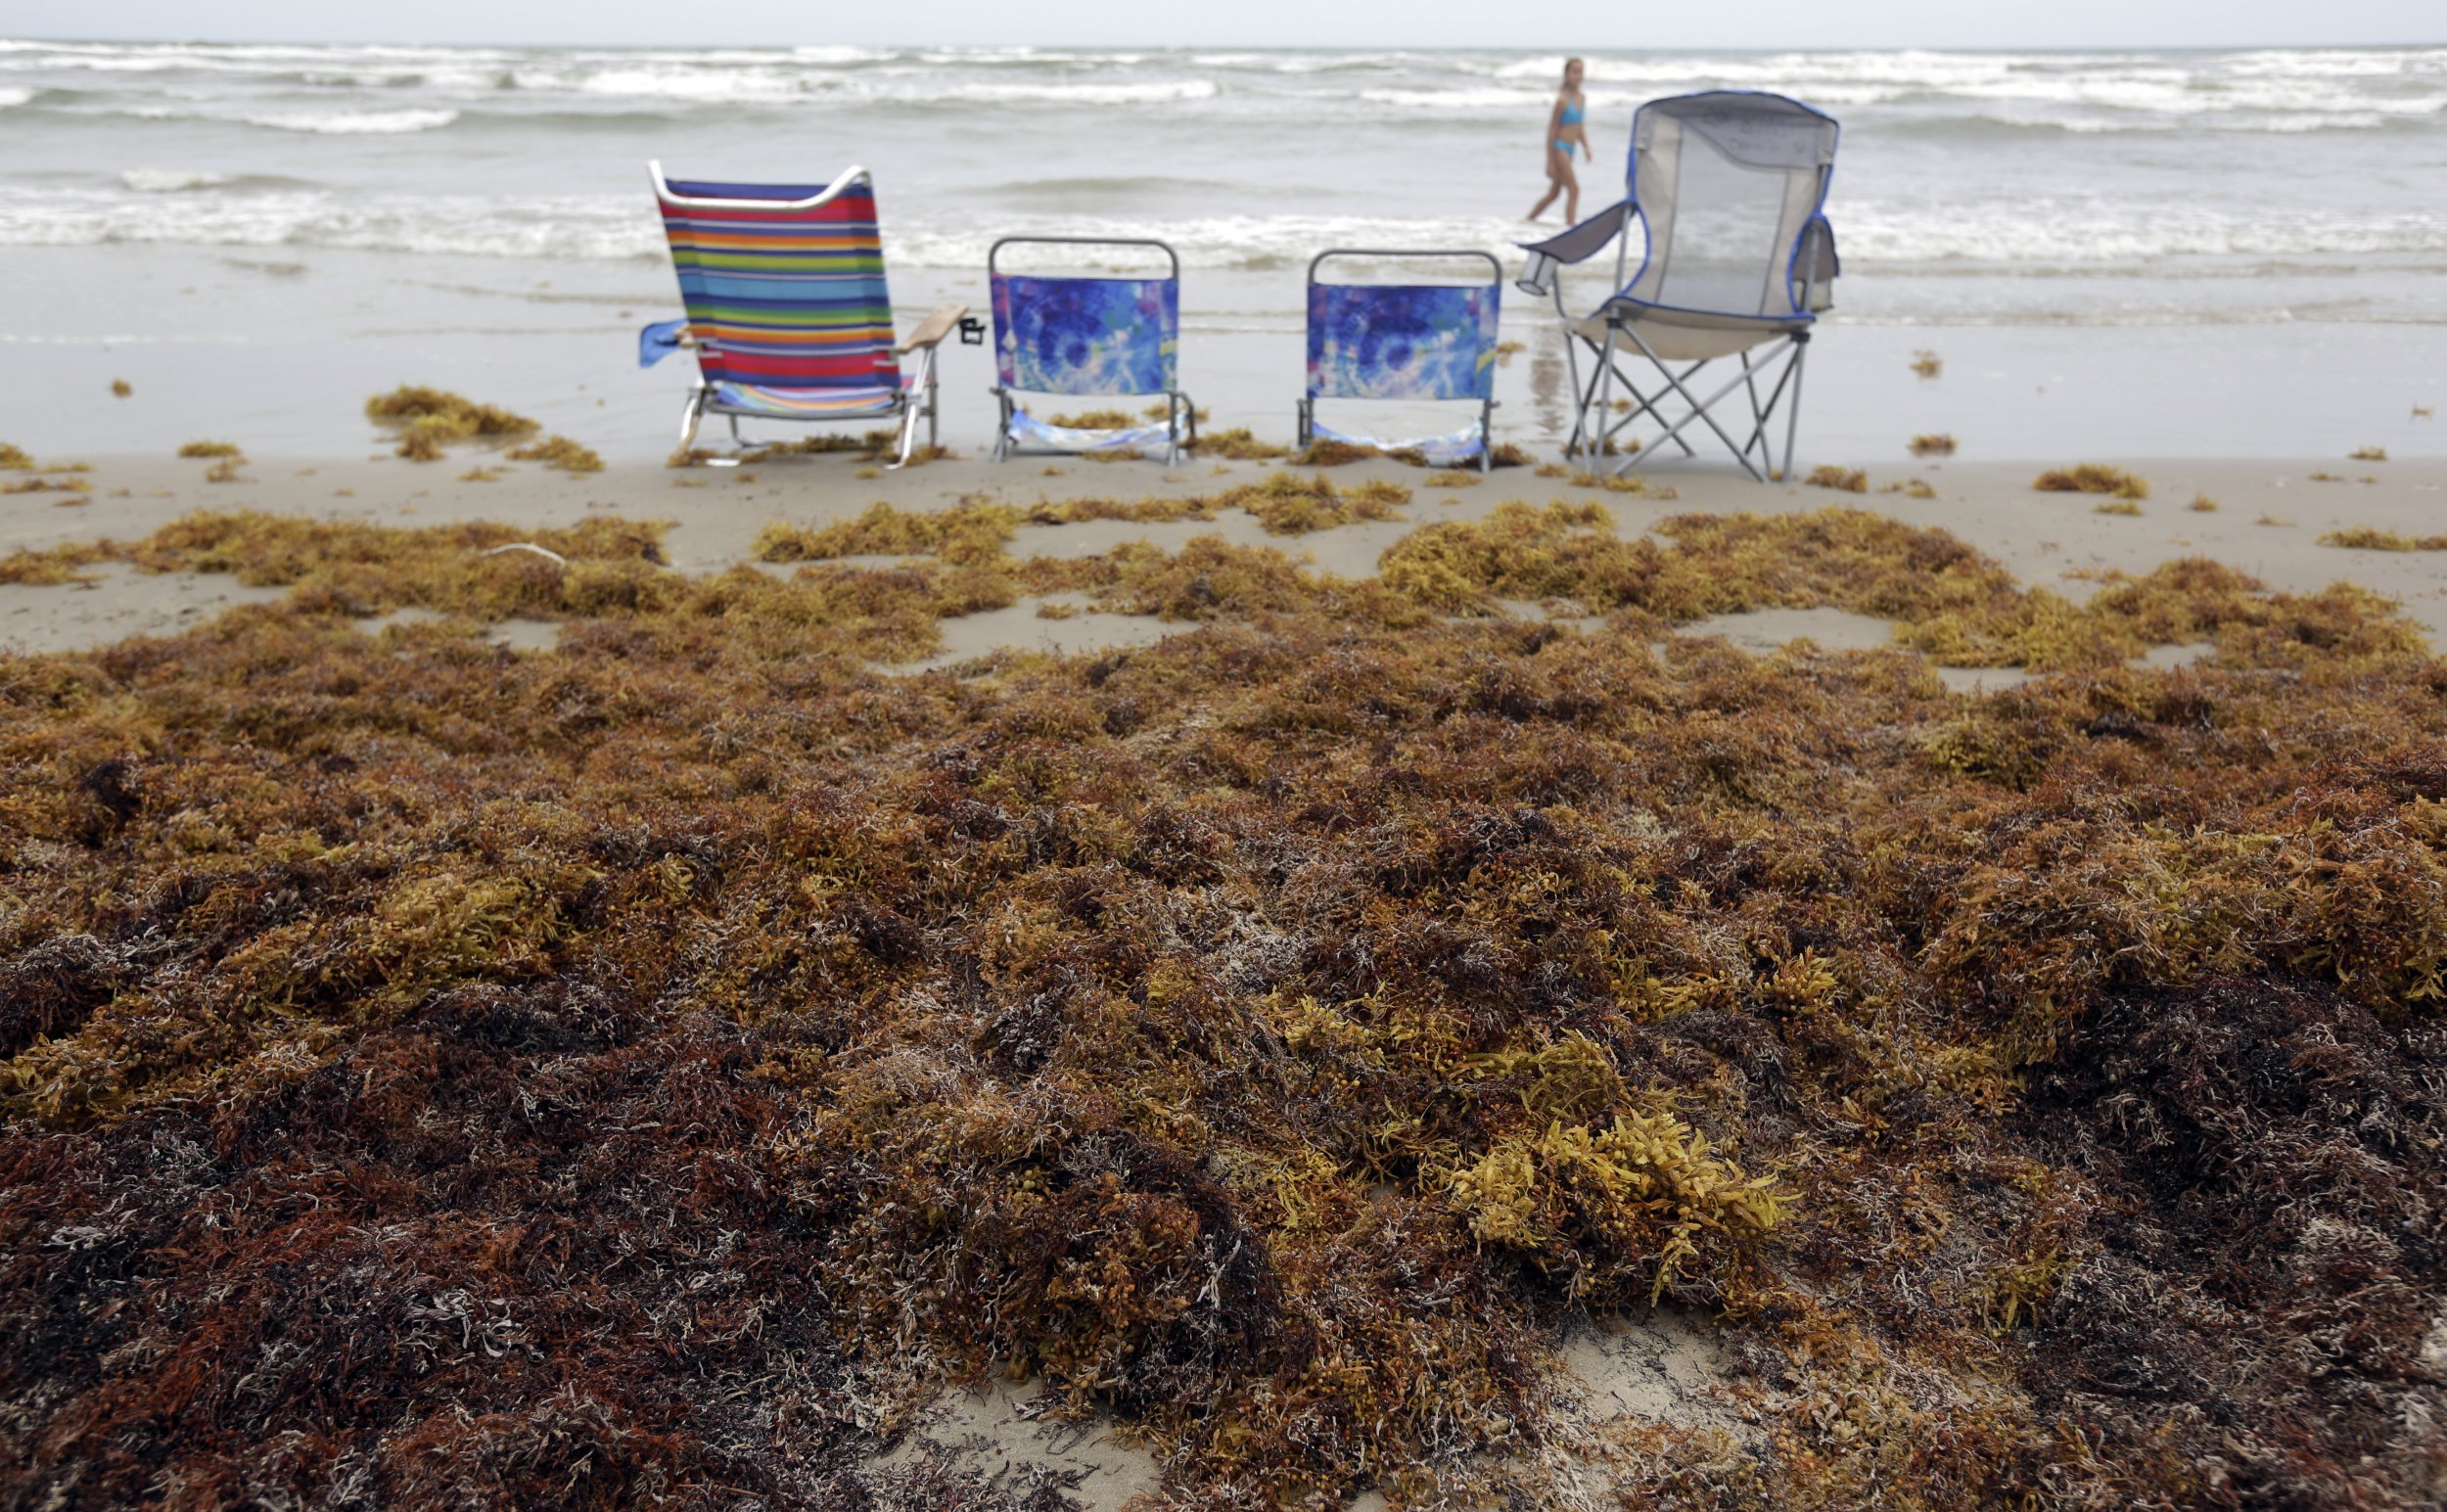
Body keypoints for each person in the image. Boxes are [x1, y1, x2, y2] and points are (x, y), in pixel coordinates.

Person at [1527, 58, 1590, 223]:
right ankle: (1571, 226)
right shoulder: (1562, 100)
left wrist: (1586, 147)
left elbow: (1579, 126)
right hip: (1559, 148)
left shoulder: (1582, 98)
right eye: (1574, 72)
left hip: (1571, 149)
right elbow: (1552, 130)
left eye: (1581, 72)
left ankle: (1528, 220)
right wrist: (1550, 162)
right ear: (1566, 74)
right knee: (1574, 189)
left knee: (1554, 194)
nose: (1578, 76)